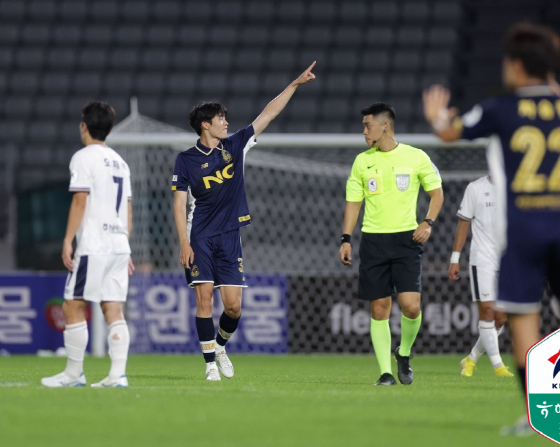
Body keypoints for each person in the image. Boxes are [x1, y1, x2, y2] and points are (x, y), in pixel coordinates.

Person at [423, 22, 560, 434]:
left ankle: (540, 420)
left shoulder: (502, 109)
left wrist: (437, 117)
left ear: (516, 66)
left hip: (525, 232)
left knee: (524, 324)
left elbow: (449, 132)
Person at [172, 62, 316, 381]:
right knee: (204, 297)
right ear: (205, 125)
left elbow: (268, 114)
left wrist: (293, 85)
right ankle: (210, 365)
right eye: (220, 118)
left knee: (234, 307)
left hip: (230, 236)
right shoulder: (186, 160)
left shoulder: (235, 146)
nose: (226, 122)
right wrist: (184, 242)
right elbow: (179, 202)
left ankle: (220, 346)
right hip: (200, 237)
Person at [339, 102, 444, 386]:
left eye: (368, 125)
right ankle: (385, 373)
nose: (364, 131)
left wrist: (428, 222)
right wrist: (346, 239)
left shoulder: (416, 156)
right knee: (379, 308)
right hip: (373, 241)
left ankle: (404, 352)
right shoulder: (362, 161)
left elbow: (437, 194)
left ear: (385, 126)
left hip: (406, 239)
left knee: (411, 306)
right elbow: (353, 203)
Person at [41, 101, 134, 388]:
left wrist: (68, 240)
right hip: (119, 244)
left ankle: (73, 374)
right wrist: (125, 246)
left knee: (72, 306)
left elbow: (80, 200)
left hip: (95, 244)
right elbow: (128, 210)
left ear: (84, 126)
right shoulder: (120, 161)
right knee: (113, 310)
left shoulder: (84, 157)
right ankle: (117, 375)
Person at [449, 175, 513, 377]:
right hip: (482, 259)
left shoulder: (515, 186)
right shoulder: (475, 188)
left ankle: (471, 359)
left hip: (509, 259)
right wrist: (455, 258)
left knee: (500, 318)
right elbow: (464, 224)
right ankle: (498, 366)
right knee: (487, 310)